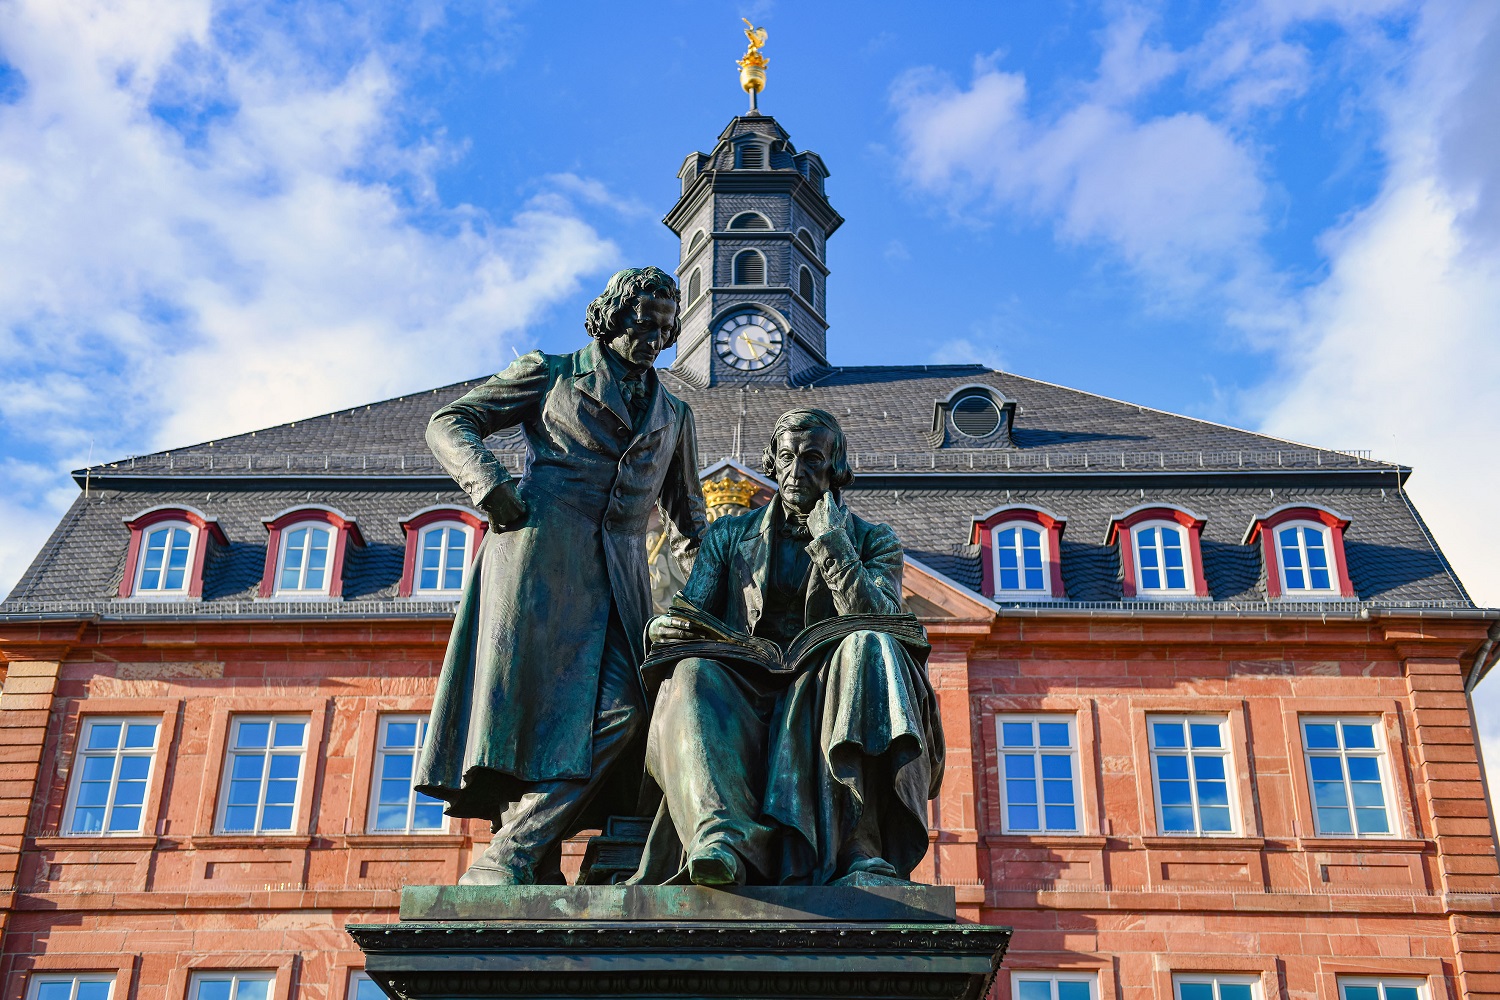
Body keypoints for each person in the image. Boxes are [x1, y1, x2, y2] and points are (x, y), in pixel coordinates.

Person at [415, 266, 707, 885]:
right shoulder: (549, 373)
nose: (653, 339)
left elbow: (691, 524)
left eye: (663, 330)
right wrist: (488, 483)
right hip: (537, 560)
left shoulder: (675, 414)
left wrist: (722, 596)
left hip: (622, 583)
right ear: (612, 317)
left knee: (627, 712)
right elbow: (449, 422)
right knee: (526, 714)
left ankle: (513, 851)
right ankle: (532, 861)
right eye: (641, 324)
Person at [635, 408, 944, 886]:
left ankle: (859, 844)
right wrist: (662, 628)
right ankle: (720, 840)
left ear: (834, 468)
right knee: (691, 673)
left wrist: (834, 542)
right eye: (786, 458)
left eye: (812, 459)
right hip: (744, 682)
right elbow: (690, 612)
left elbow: (882, 618)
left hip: (829, 683)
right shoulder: (729, 535)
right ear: (773, 463)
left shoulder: (872, 540)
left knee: (867, 645)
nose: (796, 471)